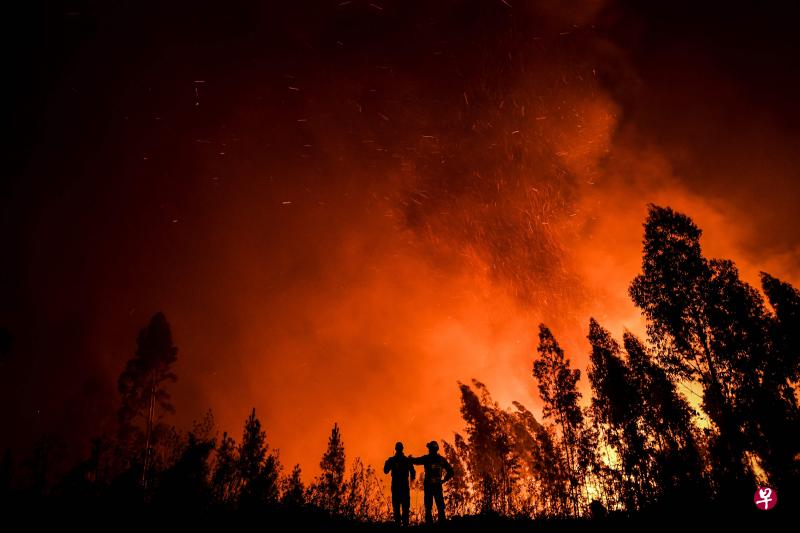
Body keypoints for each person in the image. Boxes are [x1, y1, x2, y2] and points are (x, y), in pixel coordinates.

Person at [410, 441, 454, 524]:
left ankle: (429, 524)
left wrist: (410, 459)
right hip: (437, 484)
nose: (429, 450)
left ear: (430, 449)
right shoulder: (441, 460)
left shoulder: (427, 458)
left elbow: (416, 461)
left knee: (428, 506)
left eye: (429, 449)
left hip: (429, 485)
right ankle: (442, 522)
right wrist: (444, 480)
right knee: (440, 505)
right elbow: (451, 471)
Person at [383, 441, 416, 526]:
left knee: (397, 509)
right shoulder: (406, 460)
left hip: (396, 488)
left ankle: (398, 525)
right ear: (402, 449)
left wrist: (388, 462)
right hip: (404, 488)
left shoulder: (392, 460)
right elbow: (413, 473)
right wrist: (411, 483)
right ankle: (404, 525)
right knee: (404, 509)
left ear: (396, 449)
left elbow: (385, 471)